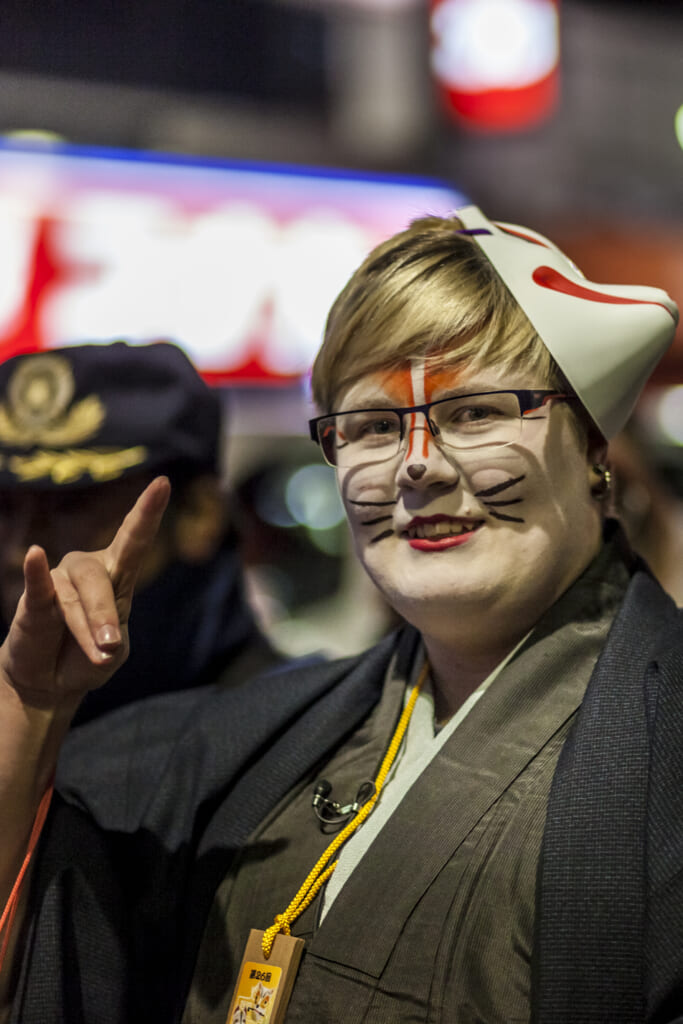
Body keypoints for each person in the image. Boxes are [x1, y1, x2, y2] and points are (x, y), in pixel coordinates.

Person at [0, 206, 682, 1024]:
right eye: (370, 427)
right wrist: (32, 709)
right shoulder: (245, 747)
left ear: (595, 451)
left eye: (477, 412)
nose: (417, 465)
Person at [0, 341, 282, 724]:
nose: (17, 552)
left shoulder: (281, 731)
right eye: (4, 509)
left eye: (71, 505)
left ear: (199, 514)